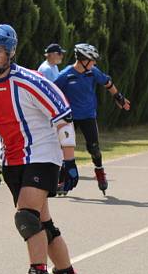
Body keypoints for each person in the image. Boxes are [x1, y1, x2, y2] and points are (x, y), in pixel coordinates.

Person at [0, 23, 89, 274]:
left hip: (44, 154)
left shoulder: (31, 82)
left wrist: (70, 162)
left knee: (26, 218)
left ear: (10, 53)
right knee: (43, 224)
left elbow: (63, 118)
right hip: (12, 161)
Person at [53, 43, 130, 194]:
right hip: (70, 118)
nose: (94, 63)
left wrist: (119, 97)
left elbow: (108, 83)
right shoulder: (65, 75)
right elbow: (52, 92)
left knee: (94, 148)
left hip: (88, 115)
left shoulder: (92, 72)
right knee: (64, 149)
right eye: (92, 60)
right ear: (83, 60)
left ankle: (100, 173)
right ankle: (62, 181)